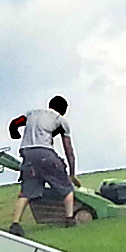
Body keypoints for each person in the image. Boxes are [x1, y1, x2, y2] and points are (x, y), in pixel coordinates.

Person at [8, 95, 77, 232]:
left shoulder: (31, 114)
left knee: (26, 193)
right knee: (67, 189)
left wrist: (15, 134)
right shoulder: (60, 120)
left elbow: (15, 123)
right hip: (46, 154)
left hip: (27, 154)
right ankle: (70, 219)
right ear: (63, 109)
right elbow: (68, 150)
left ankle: (15, 224)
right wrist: (72, 173)